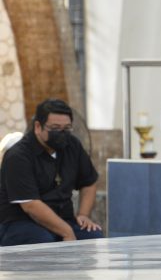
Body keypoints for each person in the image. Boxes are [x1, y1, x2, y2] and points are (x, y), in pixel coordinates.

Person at [0, 99, 102, 246]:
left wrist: (83, 215)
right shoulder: (18, 156)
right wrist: (66, 232)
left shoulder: (72, 145)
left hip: (63, 218)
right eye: (55, 128)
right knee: (44, 243)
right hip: (20, 222)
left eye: (67, 128)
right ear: (37, 126)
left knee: (93, 236)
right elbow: (31, 206)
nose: (61, 133)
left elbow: (89, 183)